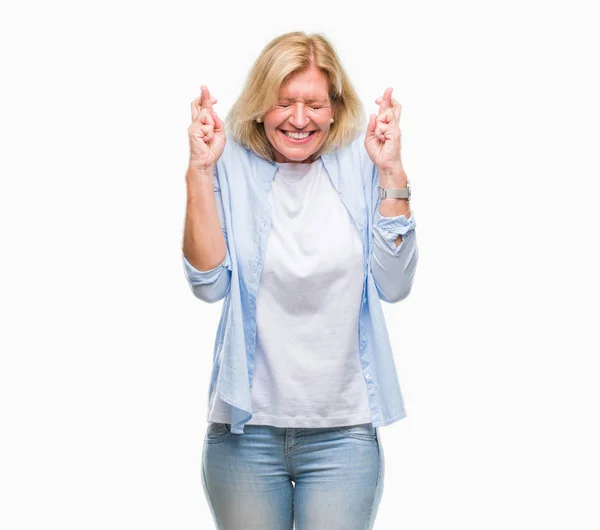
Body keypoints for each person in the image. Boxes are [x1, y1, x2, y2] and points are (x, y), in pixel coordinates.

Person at [182, 31, 418, 530]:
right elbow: (207, 284)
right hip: (243, 436)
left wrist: (393, 169)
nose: (298, 118)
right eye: (284, 102)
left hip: (344, 435)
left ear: (335, 107)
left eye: (313, 103)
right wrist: (200, 171)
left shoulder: (364, 161)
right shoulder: (232, 162)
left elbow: (395, 284)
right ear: (260, 105)